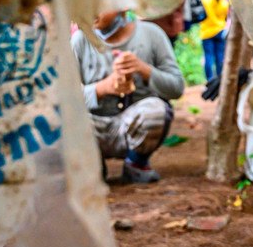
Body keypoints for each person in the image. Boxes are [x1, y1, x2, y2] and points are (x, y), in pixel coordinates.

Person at [72, 10, 186, 183]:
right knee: (63, 119)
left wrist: (144, 69)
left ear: (122, 4)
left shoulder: (151, 34)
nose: (92, 11)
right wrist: (102, 88)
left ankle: (136, 163)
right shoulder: (80, 41)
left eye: (100, 4)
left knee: (156, 110)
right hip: (95, 128)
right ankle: (92, 167)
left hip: (134, 125)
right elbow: (63, 99)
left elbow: (176, 88)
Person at [200, 0, 229, 83]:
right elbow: (225, 17)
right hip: (220, 31)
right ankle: (220, 80)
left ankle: (209, 80)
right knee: (220, 56)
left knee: (208, 57)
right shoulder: (224, 3)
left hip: (207, 33)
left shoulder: (205, 0)